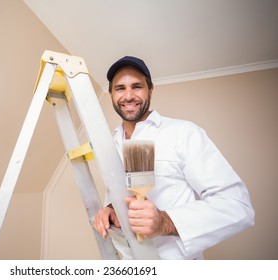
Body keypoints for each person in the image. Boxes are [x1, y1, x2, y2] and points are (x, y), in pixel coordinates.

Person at [93, 56, 255, 259]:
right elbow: (117, 194)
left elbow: (238, 207)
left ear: (150, 90)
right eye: (120, 88)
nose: (128, 96)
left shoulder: (184, 133)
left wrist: (165, 222)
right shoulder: (110, 143)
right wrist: (111, 208)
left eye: (137, 87)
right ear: (111, 94)